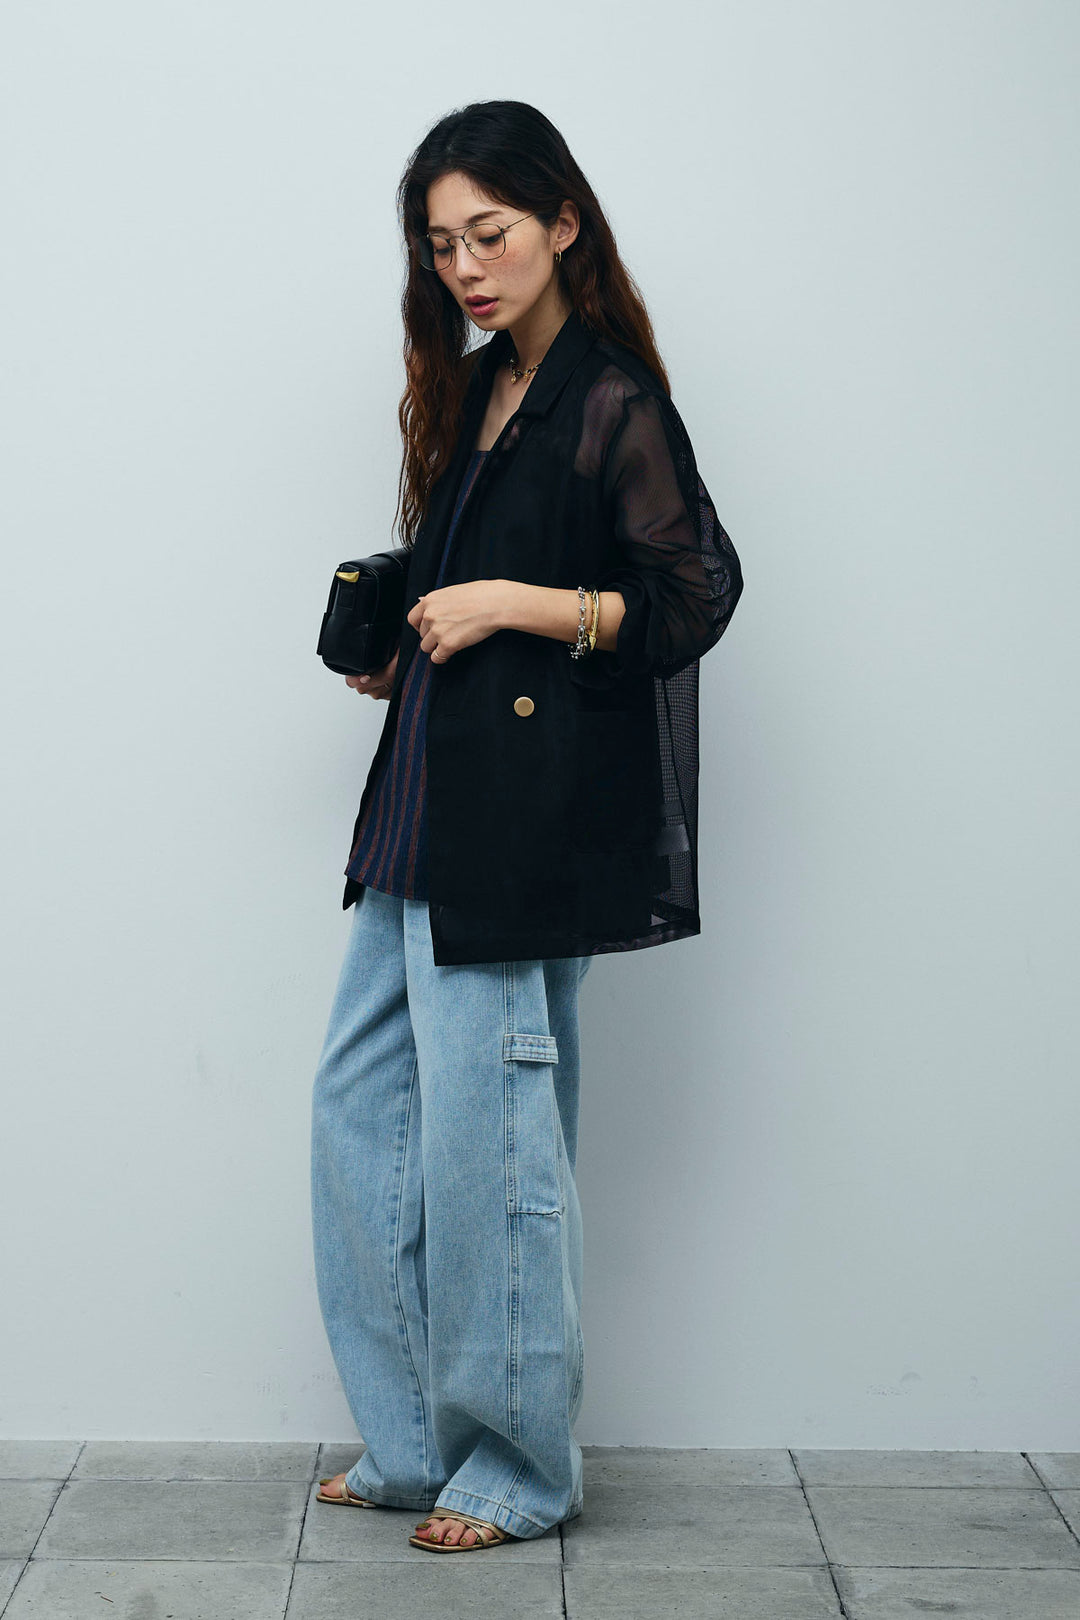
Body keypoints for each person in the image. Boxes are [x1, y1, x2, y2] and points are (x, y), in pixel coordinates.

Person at [310, 99, 744, 1554]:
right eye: (442, 247)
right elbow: (470, 582)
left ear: (563, 222)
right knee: (361, 1123)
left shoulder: (613, 399)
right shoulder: (480, 384)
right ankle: (412, 1443)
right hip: (422, 804)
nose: (467, 268)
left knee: (492, 1146)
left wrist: (514, 606)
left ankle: (520, 1465)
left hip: (518, 831)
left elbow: (695, 597)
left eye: (489, 234)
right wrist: (408, 638)